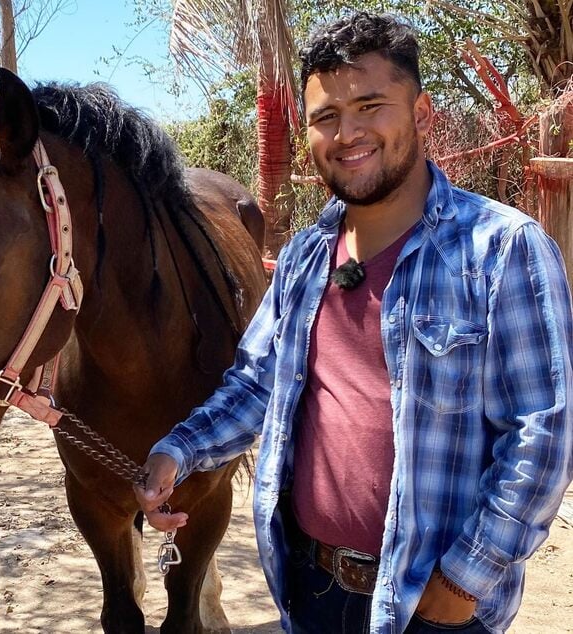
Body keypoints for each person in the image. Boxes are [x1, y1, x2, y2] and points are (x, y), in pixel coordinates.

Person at [136, 12, 573, 634]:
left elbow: (543, 434)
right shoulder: (305, 258)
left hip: (432, 605)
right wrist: (179, 451)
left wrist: (463, 582)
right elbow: (258, 382)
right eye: (326, 117)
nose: (348, 133)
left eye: (371, 105)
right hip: (311, 585)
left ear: (422, 113)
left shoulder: (501, 250)